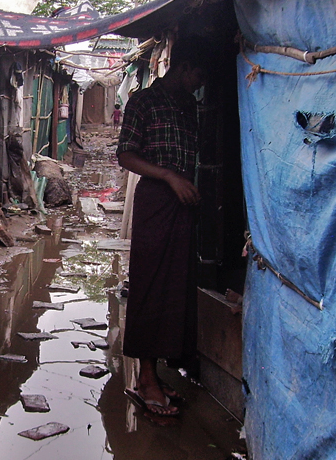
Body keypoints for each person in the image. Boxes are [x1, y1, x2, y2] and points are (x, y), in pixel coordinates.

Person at [115, 37, 210, 417]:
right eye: (198, 76)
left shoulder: (189, 104)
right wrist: (170, 177)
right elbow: (125, 155)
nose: (200, 84)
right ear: (183, 68)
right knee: (150, 284)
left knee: (175, 288)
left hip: (182, 200)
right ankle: (146, 377)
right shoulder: (143, 102)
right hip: (156, 199)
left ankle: (154, 375)